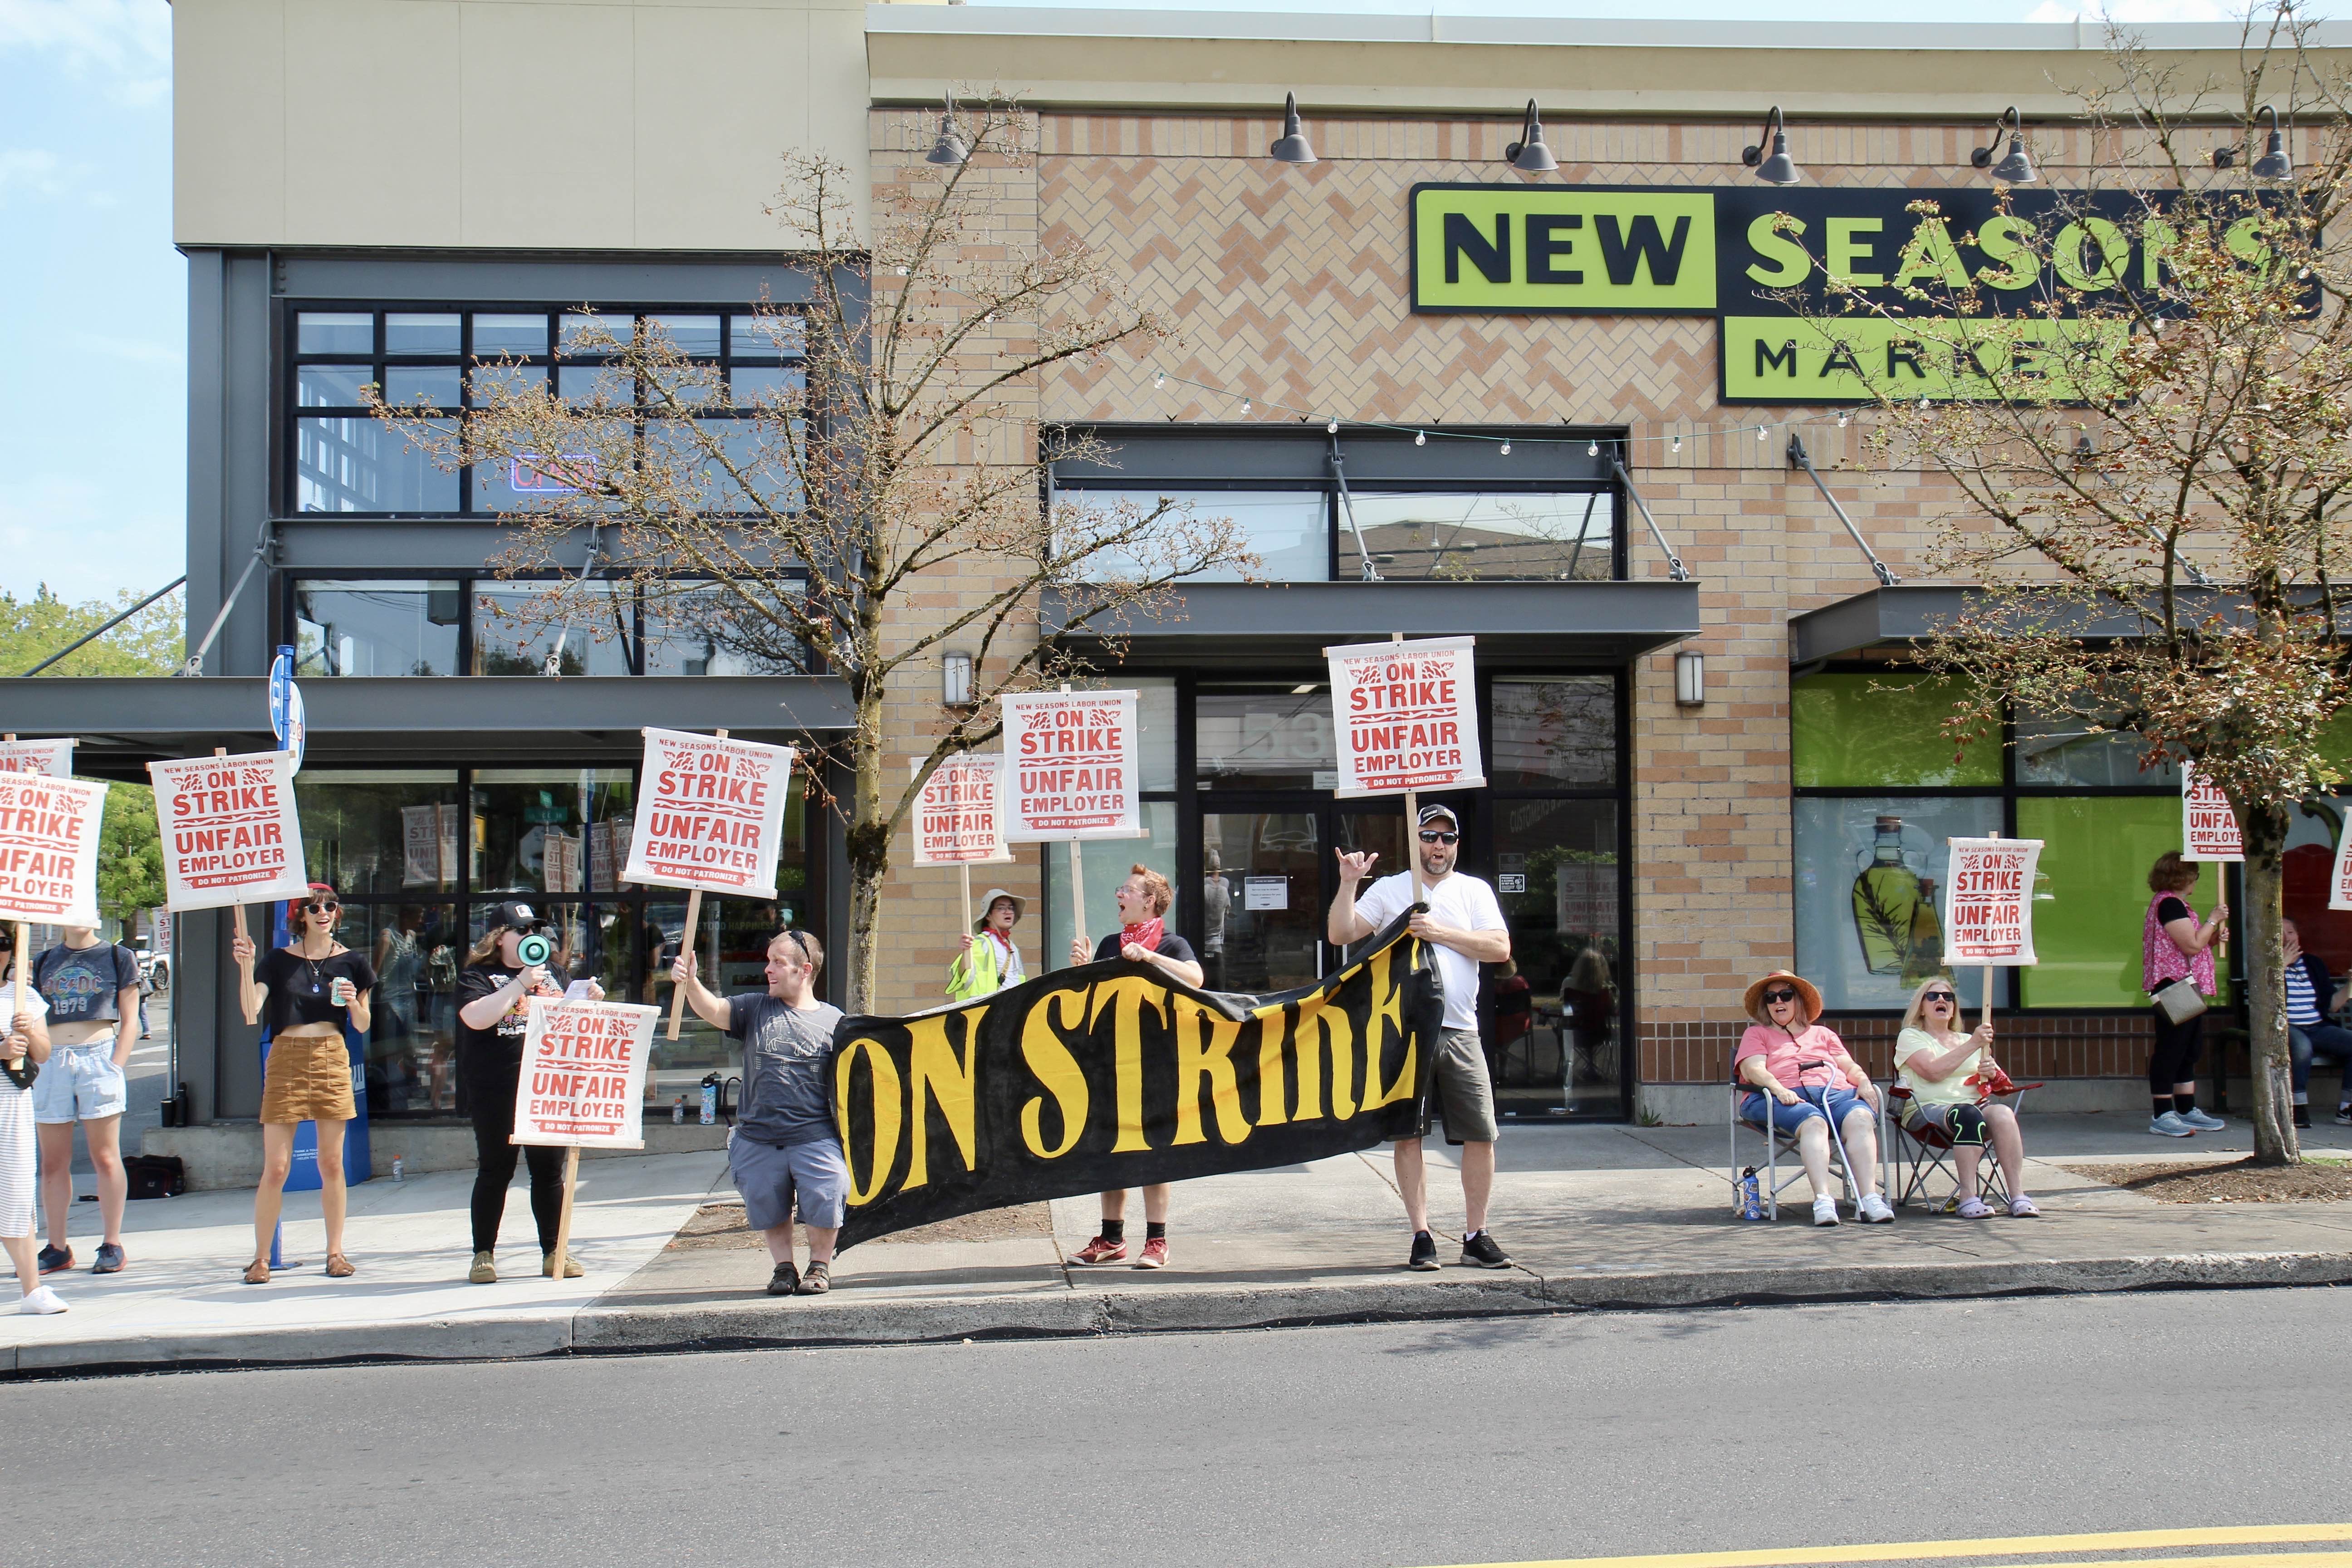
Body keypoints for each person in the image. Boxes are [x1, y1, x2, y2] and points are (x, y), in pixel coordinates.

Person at [1326, 803, 1516, 1271]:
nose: (1439, 846)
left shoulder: (1474, 891)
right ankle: (1422, 1234)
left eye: (1447, 838)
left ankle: (1476, 1235)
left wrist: (1440, 932)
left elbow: (1499, 948)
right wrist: (1350, 883)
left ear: (1456, 844)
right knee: (1407, 1137)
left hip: (1460, 1030)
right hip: (1405, 1034)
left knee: (1481, 1134)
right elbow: (1341, 933)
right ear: (1415, 842)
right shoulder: (1392, 890)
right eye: (1429, 836)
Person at [672, 928, 847, 1297]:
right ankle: (784, 1268)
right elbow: (715, 1010)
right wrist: (691, 983)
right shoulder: (755, 1008)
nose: (768, 969)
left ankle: (820, 1267)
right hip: (758, 1137)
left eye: (777, 963)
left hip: (815, 1135)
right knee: (770, 1204)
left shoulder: (835, 1022)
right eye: (769, 961)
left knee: (827, 1195)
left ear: (805, 969)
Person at [230, 883, 375, 1284]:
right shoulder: (278, 961)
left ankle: (335, 1253)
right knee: (276, 1167)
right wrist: (247, 964)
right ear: (301, 916)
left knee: (332, 1162)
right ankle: (261, 1258)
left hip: (332, 1053)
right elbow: (250, 1009)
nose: (323, 912)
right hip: (286, 1056)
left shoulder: (354, 962)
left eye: (330, 906)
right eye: (314, 908)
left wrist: (352, 1002)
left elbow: (362, 1024)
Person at [455, 900, 603, 1284]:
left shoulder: (553, 972)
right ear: (499, 937)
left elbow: (570, 1020)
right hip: (497, 1089)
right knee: (495, 1170)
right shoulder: (478, 975)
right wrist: (520, 983)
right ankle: (483, 1254)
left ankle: (555, 1252)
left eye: (534, 930)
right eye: (521, 930)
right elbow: (475, 1018)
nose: (529, 936)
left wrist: (589, 1000)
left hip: (545, 1087)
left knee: (548, 1172)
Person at [1068, 864, 1203, 1269]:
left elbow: (1196, 979)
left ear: (1149, 901)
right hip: (1110, 1064)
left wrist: (1148, 957)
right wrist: (1080, 972)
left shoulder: (1172, 944)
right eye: (1120, 889)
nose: (1119, 896)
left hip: (1157, 1064)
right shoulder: (1110, 943)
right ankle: (1111, 1239)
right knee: (1112, 1151)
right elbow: (1087, 1004)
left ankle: (1156, 1242)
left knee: (1153, 1153)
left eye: (1127, 890)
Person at [1735, 970, 1894, 1226]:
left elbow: (1848, 1067)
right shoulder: (1757, 1034)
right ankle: (1823, 1200)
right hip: (1778, 1096)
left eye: (1785, 995)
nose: (1779, 1002)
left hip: (1835, 1093)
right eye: (1771, 998)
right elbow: (1752, 1070)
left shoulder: (1824, 1035)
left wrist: (1864, 1081)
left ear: (1798, 1000)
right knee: (1814, 1122)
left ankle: (1870, 1197)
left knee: (1861, 1118)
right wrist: (1779, 1089)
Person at [30, 925, 141, 1276]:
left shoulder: (118, 956)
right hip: (52, 1059)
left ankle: (112, 1242)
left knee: (105, 1157)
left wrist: (115, 1065)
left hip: (98, 1055)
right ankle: (57, 1246)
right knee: (52, 1162)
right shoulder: (43, 959)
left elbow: (131, 1019)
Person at [1894, 978, 2038, 1218]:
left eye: (1948, 997)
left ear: (1954, 1008)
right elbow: (1933, 1071)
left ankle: (2018, 1196)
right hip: (1927, 1111)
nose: (1942, 1000)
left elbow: (1990, 1082)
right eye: (1933, 996)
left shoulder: (1968, 1040)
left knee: (2003, 1114)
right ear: (1921, 1007)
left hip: (1973, 1106)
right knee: (1968, 1115)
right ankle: (1968, 1198)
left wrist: (1990, 1072)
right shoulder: (1911, 1037)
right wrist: (1973, 1044)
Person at [2142, 851, 2229, 1137]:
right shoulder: (2169, 905)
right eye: (2194, 876)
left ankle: (2186, 1107)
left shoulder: (2177, 905)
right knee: (2172, 1048)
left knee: (2189, 1048)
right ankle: (2163, 1112)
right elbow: (2191, 945)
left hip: (2186, 984)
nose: (2196, 882)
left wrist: (2213, 937)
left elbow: (2196, 945)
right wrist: (2213, 921)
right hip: (2174, 985)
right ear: (2183, 876)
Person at [2, 932, 64, 1314]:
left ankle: (32, 1289)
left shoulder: (22, 997)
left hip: (11, 1105)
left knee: (17, 1193)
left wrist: (27, 1031)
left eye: (3, 943)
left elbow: (43, 1051)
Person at [2281, 918, 2352, 1129]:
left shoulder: (2313, 963)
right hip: (2286, 1026)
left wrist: (2350, 985)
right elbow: (2265, 1001)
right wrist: (2281, 965)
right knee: (2302, 1048)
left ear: (2299, 937)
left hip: (2317, 1026)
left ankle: (2347, 1108)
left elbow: (2332, 1006)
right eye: (2280, 933)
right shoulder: (2266, 964)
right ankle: (2297, 1106)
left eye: (2291, 933)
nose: (2287, 938)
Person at [947, 888, 1027, 1001]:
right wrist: (966, 950)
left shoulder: (1012, 947)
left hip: (1013, 1009)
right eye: (1001, 908)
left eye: (1011, 908)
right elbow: (962, 975)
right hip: (990, 1010)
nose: (1008, 912)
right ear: (988, 915)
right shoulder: (981, 943)